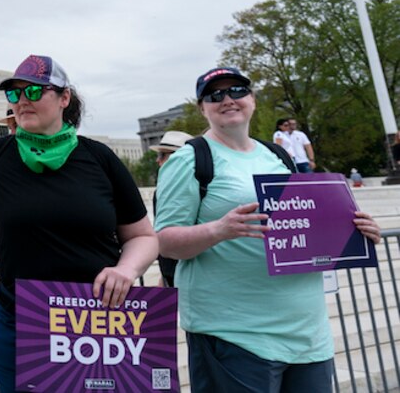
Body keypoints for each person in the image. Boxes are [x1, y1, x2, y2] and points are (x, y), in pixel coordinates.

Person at [0, 54, 158, 392]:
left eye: (35, 92)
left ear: (64, 98)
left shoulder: (100, 159)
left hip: (99, 323)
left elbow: (143, 236)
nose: (23, 101)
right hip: (23, 324)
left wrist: (126, 269)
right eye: (15, 94)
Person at [155, 66, 382, 392]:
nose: (228, 99)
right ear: (201, 108)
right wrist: (219, 229)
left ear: (252, 99)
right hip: (234, 334)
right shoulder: (190, 159)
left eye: (237, 91)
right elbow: (164, 241)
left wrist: (356, 231)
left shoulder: (277, 156)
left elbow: (305, 226)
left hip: (307, 333)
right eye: (215, 95)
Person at [148, 130, 192, 287]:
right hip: (171, 271)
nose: (158, 161)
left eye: (163, 155)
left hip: (189, 273)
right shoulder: (162, 189)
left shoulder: (194, 189)